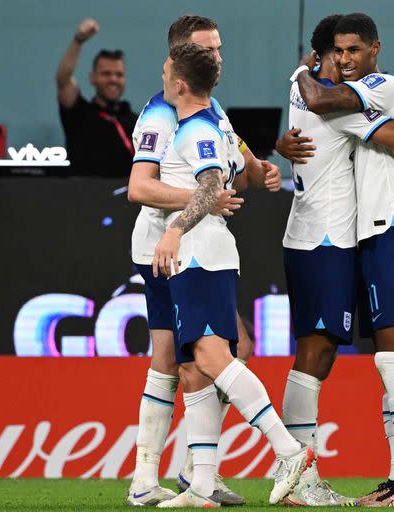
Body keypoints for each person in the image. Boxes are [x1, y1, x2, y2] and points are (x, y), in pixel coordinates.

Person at [125, 15, 281, 507]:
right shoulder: (160, 114)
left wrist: (260, 167)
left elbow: (241, 165)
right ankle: (150, 478)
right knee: (178, 359)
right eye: (207, 49)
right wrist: (202, 197)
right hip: (165, 246)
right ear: (180, 58)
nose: (218, 56)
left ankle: (196, 478)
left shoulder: (211, 108)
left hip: (197, 243)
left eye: (219, 47)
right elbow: (140, 187)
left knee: (204, 357)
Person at [148, 44, 311, 508]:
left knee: (212, 356)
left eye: (165, 71)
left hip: (199, 253)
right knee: (192, 367)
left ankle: (290, 451)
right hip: (207, 254)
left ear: (180, 83)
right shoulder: (217, 124)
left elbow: (210, 184)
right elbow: (238, 175)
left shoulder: (196, 127)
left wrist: (175, 230)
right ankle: (201, 486)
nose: (161, 77)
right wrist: (261, 170)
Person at [277, 14, 394, 506]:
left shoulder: (355, 90)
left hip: (358, 236)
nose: (344, 60)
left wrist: (303, 74)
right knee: (320, 354)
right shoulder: (322, 94)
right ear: (323, 54)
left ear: (374, 50)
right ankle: (300, 478)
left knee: (379, 355)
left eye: (353, 51)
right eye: (336, 52)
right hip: (326, 238)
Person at [56, 18, 138, 176]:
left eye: (119, 74)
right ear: (92, 78)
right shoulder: (78, 113)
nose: (113, 79)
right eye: (106, 74)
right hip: (84, 196)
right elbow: (63, 79)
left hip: (126, 198)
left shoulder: (136, 121)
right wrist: (78, 41)